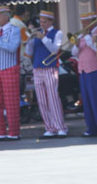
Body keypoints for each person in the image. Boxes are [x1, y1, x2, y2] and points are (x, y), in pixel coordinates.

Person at [25, 10, 68, 138]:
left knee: (53, 98)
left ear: (50, 21)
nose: (42, 24)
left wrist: (43, 38)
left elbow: (55, 50)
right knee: (42, 100)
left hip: (50, 68)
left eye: (44, 22)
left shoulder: (57, 33)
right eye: (41, 21)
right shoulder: (38, 35)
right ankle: (49, 127)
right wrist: (30, 39)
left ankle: (61, 127)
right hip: (37, 68)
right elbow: (29, 52)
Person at [72, 11, 97, 136]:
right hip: (83, 70)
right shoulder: (82, 36)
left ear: (91, 22)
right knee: (87, 100)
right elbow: (74, 53)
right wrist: (77, 45)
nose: (83, 24)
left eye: (85, 22)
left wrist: (88, 37)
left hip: (95, 69)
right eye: (82, 22)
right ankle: (92, 127)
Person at [0, 5, 21, 141]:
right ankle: (0, 132)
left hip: (10, 68)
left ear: (7, 16)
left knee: (11, 101)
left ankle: (14, 132)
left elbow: (12, 48)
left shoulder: (14, 30)